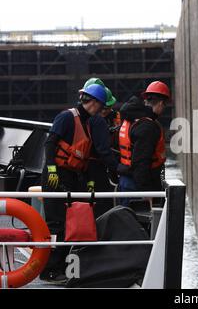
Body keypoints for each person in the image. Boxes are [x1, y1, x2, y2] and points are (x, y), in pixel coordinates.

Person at [40, 83, 107, 283]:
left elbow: (83, 158)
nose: (101, 111)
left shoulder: (86, 124)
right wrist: (51, 168)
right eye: (101, 107)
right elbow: (50, 143)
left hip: (71, 177)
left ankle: (64, 268)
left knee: (72, 225)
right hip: (56, 176)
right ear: (93, 103)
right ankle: (49, 270)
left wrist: (89, 183)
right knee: (56, 225)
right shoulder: (67, 117)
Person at [117, 81, 170, 207]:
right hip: (137, 186)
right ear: (161, 103)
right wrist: (146, 191)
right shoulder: (147, 127)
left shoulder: (132, 118)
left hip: (127, 180)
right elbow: (141, 161)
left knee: (126, 221)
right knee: (140, 224)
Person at [82, 79, 119, 218]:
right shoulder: (97, 122)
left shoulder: (81, 118)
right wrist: (118, 168)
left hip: (89, 168)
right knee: (101, 202)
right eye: (104, 108)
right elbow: (103, 150)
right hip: (93, 168)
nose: (106, 111)